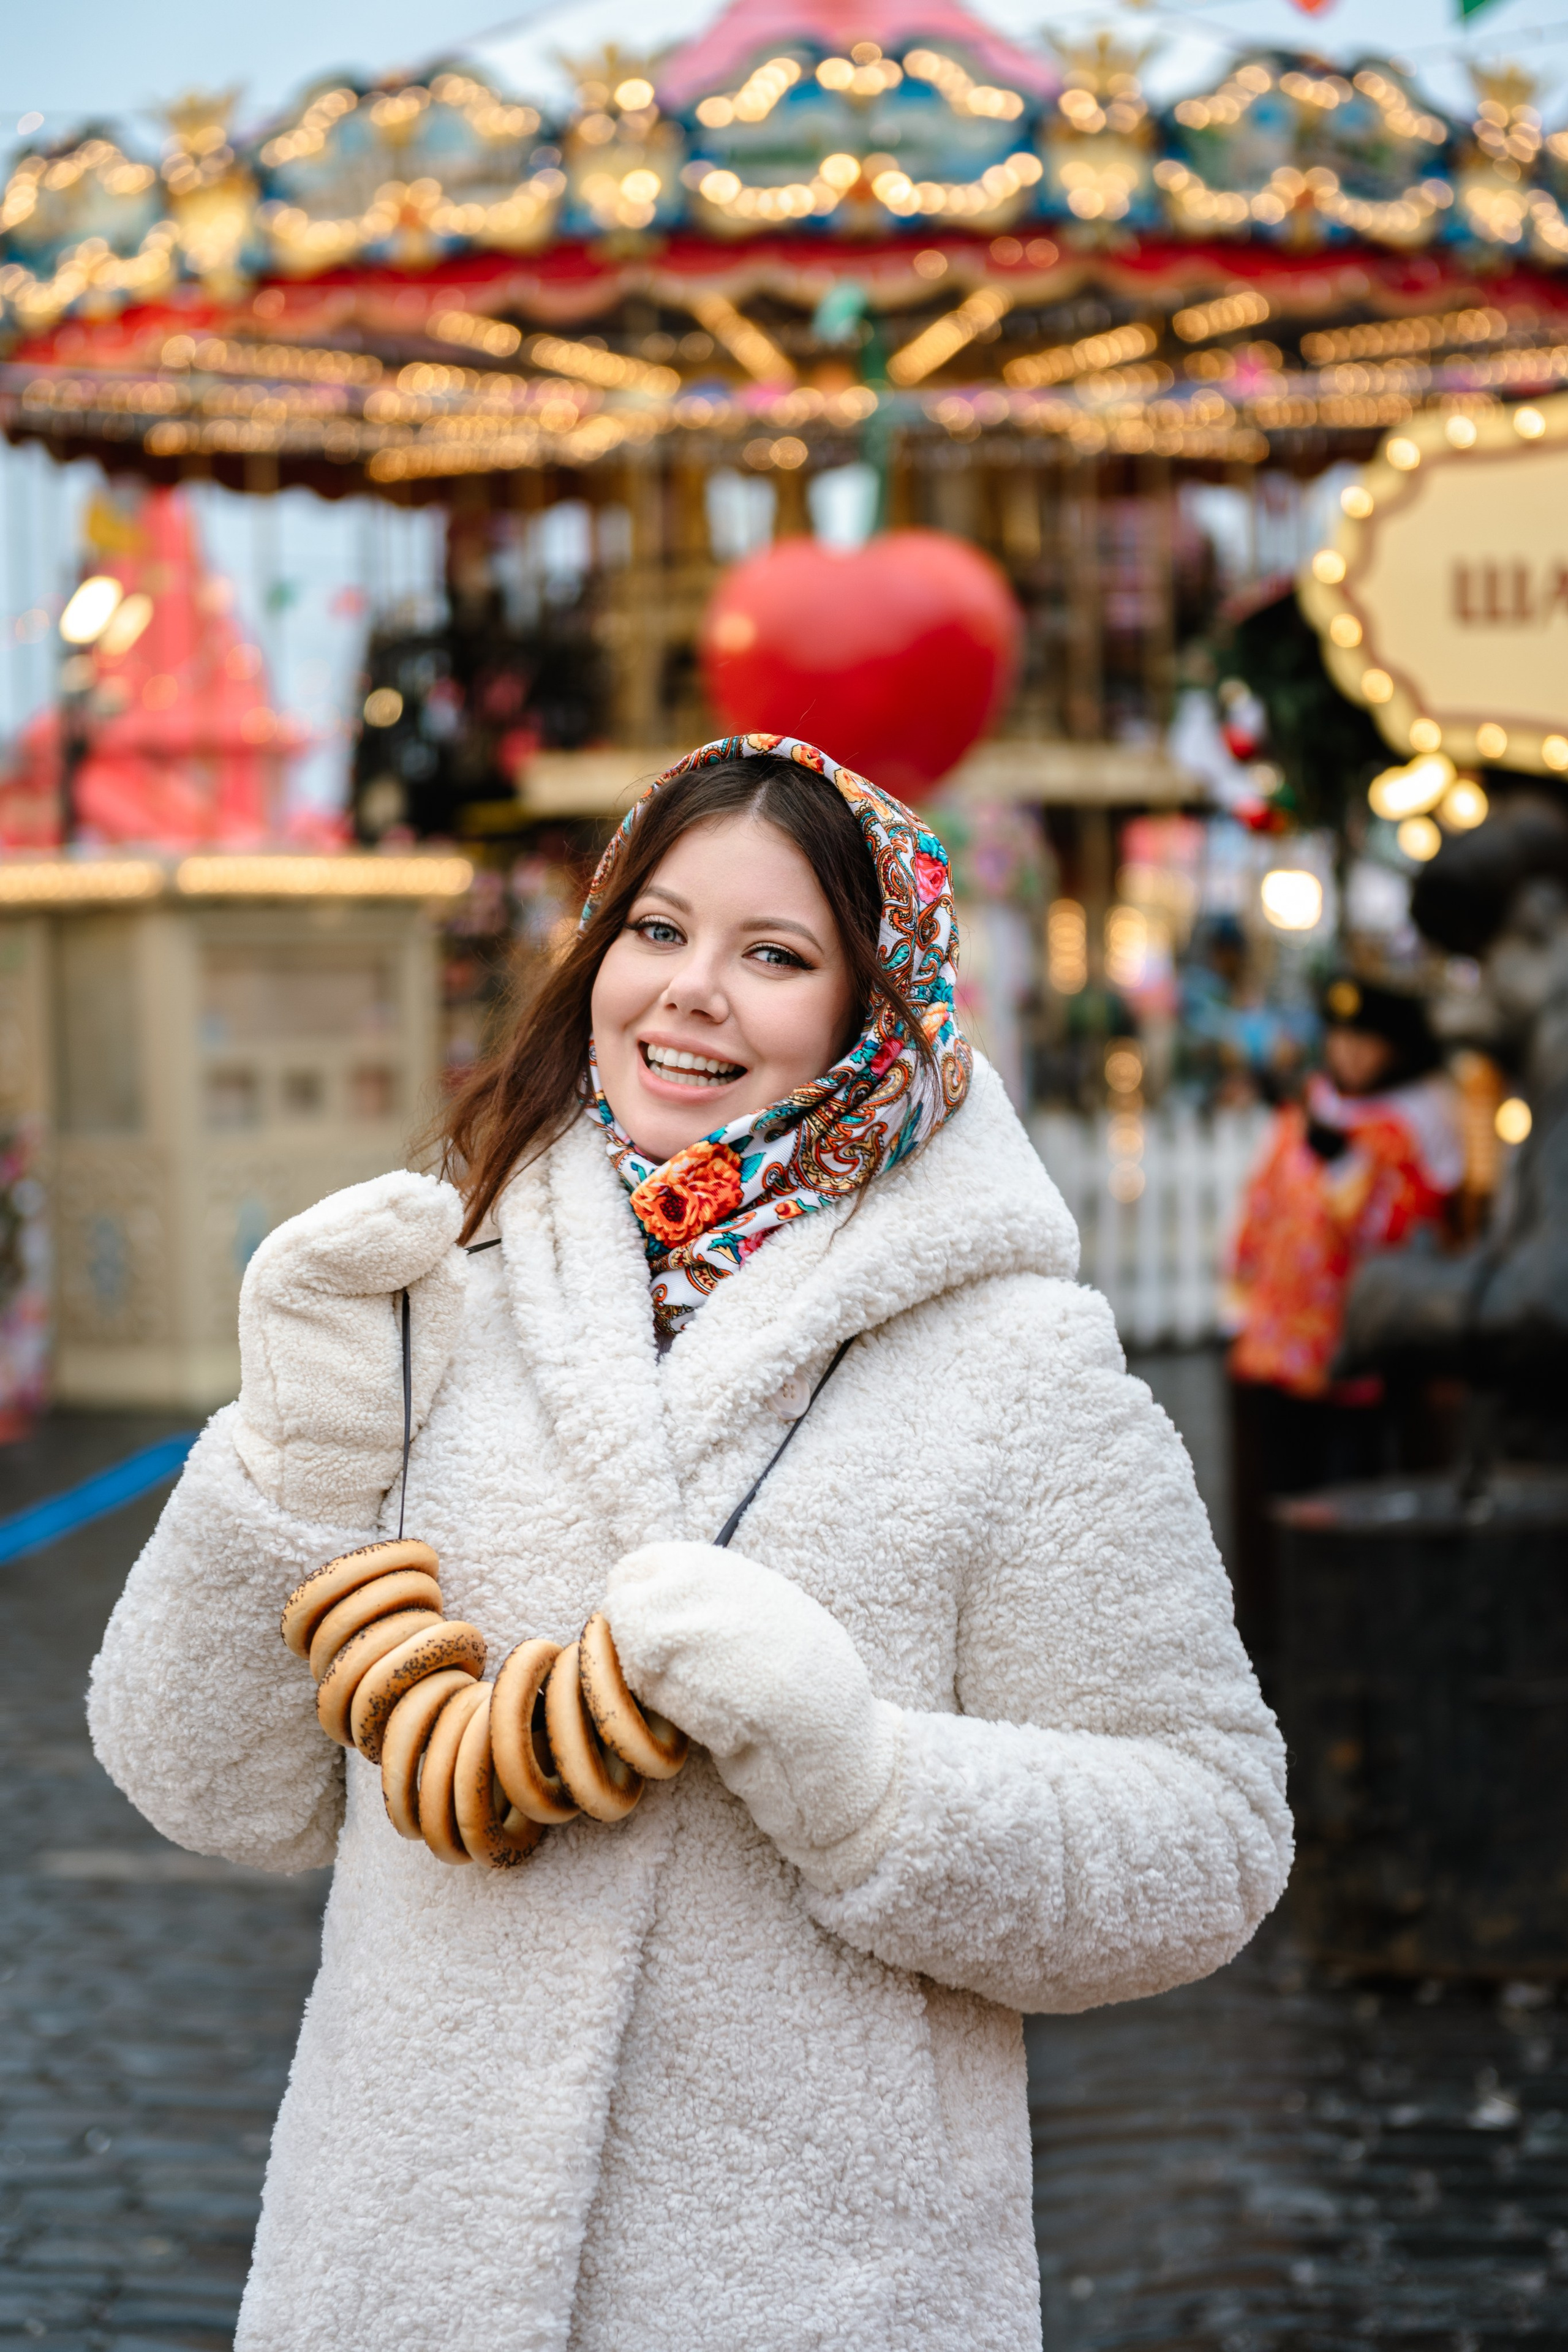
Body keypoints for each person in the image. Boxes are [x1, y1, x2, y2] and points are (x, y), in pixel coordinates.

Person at [89, 735, 1290, 2352]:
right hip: (401, 2272)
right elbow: (202, 1783)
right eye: (655, 929)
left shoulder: (1014, 1363)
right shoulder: (440, 1288)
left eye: (774, 955)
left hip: (811, 2285)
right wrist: (294, 1460)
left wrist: (863, 1779)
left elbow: (1208, 1841)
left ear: (876, 1011)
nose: (690, 992)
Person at [1225, 974, 1463, 1672]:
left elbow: (1388, 1230)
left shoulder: (1399, 1134)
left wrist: (1344, 1167)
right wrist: (1242, 1272)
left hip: (1349, 1353)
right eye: (1342, 1037)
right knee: (1283, 1489)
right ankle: (1289, 1624)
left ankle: (1353, 1634)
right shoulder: (1304, 1112)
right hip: (1277, 1344)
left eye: (1367, 1041)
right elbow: (1262, 1202)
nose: (1350, 1054)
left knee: (1350, 1494)